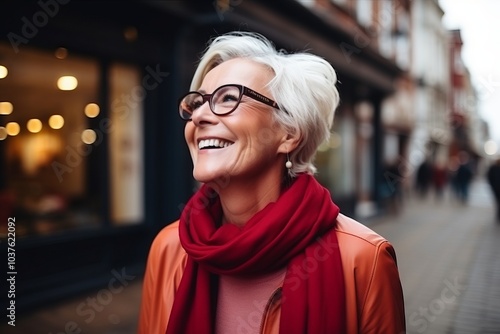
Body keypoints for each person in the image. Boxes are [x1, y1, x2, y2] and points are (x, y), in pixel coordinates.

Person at [138, 31, 405, 334]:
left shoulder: (364, 259)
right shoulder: (169, 247)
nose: (199, 116)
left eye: (228, 97)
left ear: (289, 133)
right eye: (197, 103)